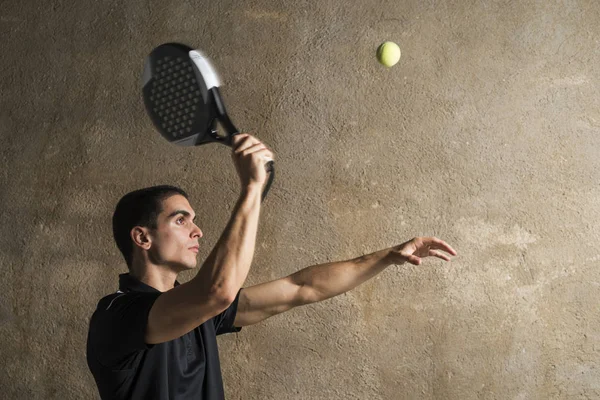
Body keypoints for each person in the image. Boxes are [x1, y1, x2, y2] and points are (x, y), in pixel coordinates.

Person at [86, 134, 458, 400]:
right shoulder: (116, 316)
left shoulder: (199, 313)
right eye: (181, 220)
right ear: (142, 238)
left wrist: (388, 255)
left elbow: (302, 288)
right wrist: (251, 188)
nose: (198, 230)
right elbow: (216, 292)